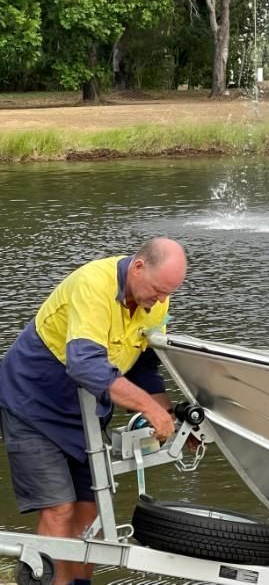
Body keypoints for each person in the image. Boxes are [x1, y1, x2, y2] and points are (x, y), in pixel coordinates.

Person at [0, 237, 187, 585]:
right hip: (34, 404)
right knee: (59, 508)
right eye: (158, 290)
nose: (161, 300)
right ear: (138, 266)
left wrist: (168, 417)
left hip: (84, 412)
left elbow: (144, 365)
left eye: (168, 293)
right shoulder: (93, 285)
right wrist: (146, 405)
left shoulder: (157, 301)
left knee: (92, 514)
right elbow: (85, 365)